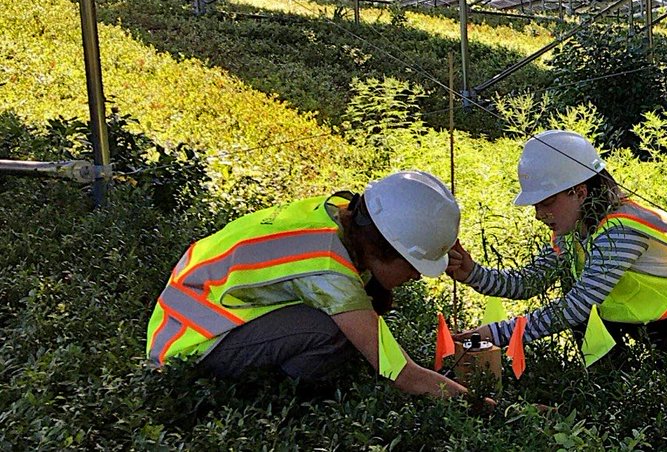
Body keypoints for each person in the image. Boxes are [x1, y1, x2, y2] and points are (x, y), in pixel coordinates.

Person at [146, 170, 473, 398]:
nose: (416, 276)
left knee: (350, 323)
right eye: (415, 266)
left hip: (192, 314)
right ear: (386, 249)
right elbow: (402, 372)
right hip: (188, 346)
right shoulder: (328, 269)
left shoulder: (338, 216)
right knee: (332, 331)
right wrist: (472, 403)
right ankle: (281, 403)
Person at [448, 131, 667, 367]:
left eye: (546, 203)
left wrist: (497, 334)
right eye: (536, 205)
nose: (539, 214)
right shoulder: (572, 233)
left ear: (580, 192)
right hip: (664, 319)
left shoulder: (621, 229)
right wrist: (471, 274)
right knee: (628, 363)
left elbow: (576, 306)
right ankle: (617, 378)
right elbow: (528, 283)